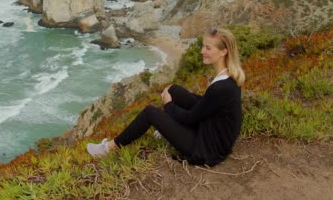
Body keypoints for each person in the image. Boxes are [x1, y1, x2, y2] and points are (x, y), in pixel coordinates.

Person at [87, 27, 245, 166]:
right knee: (175, 90)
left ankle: (109, 148)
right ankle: (167, 128)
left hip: (206, 148)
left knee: (150, 113)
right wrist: (175, 94)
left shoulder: (220, 88)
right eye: (203, 46)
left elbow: (191, 118)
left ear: (224, 52)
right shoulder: (229, 77)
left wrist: (168, 105)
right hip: (212, 135)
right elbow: (207, 105)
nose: (202, 51)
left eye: (208, 48)